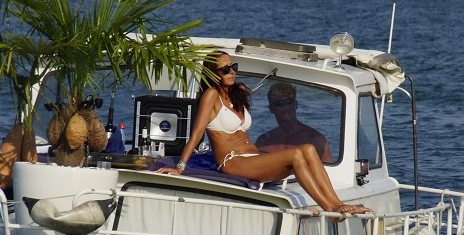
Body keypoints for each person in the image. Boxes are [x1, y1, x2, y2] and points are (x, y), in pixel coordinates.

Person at [155, 53, 368, 216]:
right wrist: (179, 168)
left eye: (233, 67)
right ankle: (331, 208)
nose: (232, 72)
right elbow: (196, 133)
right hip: (233, 162)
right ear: (213, 73)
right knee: (295, 155)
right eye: (225, 69)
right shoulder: (211, 96)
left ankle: (337, 203)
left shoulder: (235, 93)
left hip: (253, 157)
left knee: (309, 149)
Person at [255, 82, 333, 162]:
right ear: (271, 108)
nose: (286, 107)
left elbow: (329, 172)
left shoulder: (316, 139)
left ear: (295, 104)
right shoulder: (263, 142)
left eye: (289, 102)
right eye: (279, 103)